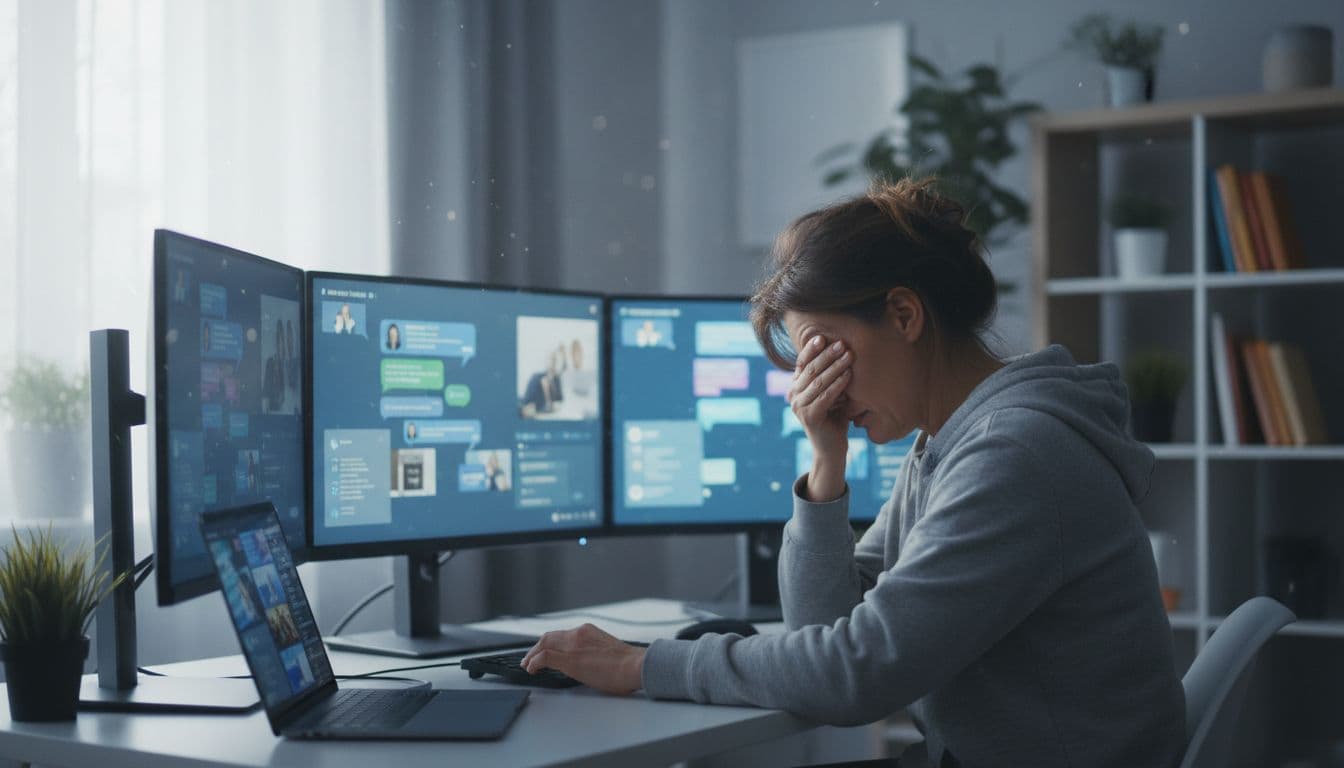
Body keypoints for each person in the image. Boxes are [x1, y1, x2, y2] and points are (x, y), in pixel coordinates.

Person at [519, 177, 1185, 767]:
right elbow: (827, 630)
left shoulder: (1017, 454)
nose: (823, 392)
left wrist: (641, 665)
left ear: (904, 315)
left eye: (826, 355)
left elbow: (854, 675)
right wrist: (825, 466)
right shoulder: (952, 441)